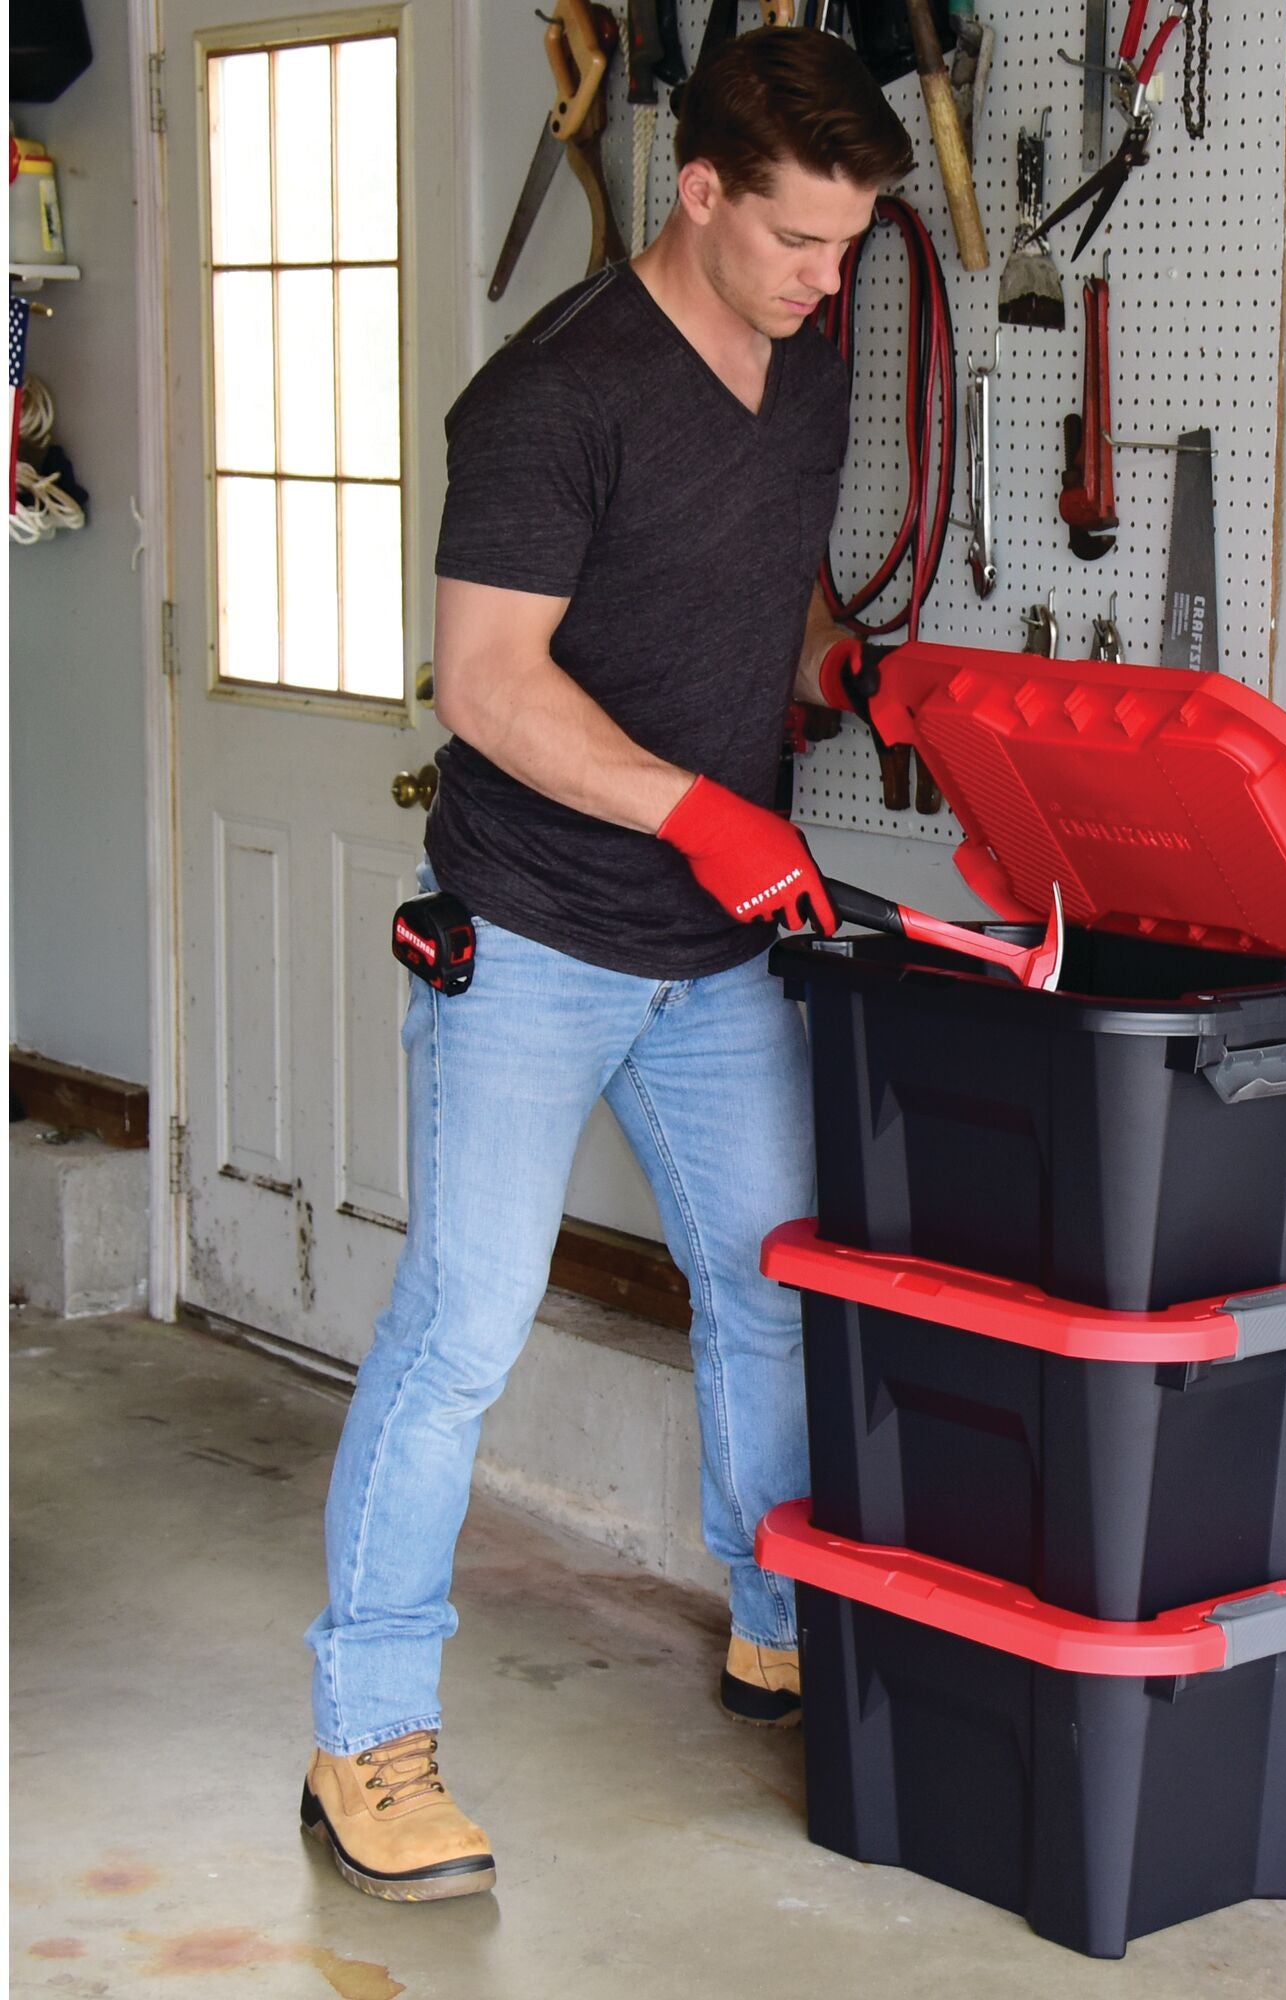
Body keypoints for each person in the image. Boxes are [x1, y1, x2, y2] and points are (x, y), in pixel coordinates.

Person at [298, 28, 911, 1905]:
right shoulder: (551, 397)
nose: (829, 287)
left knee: (768, 1284)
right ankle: (368, 1738)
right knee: (463, 1329)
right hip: (537, 937)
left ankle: (775, 1618)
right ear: (697, 190)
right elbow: (487, 689)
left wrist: (852, 682)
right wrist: (700, 814)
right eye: (800, 242)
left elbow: (755, 585)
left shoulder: (800, 378)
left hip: (712, 956)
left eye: (850, 251)